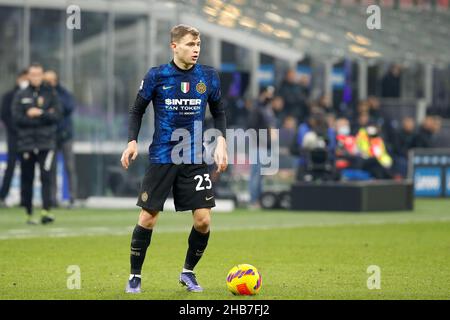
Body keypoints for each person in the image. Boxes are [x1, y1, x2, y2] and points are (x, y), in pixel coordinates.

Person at [120, 24, 228, 293]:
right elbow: (136, 111)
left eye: (198, 44)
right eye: (191, 44)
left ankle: (188, 273)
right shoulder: (158, 76)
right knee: (148, 218)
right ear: (174, 46)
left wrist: (222, 141)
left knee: (203, 220)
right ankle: (135, 276)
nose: (196, 50)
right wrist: (132, 141)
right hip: (162, 156)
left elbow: (219, 111)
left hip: (194, 158)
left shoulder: (208, 76)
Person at [11, 63, 61, 224]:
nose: (36, 78)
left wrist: (39, 113)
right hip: (26, 143)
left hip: (46, 143)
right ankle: (28, 213)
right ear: (28, 76)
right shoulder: (21, 94)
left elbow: (57, 116)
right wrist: (40, 118)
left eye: (38, 74)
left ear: (42, 75)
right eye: (32, 75)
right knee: (27, 178)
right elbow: (17, 119)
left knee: (46, 177)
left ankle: (46, 211)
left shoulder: (50, 93)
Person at [44, 70, 77, 208]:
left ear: (55, 80)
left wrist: (54, 108)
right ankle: (52, 198)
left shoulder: (64, 93)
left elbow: (69, 107)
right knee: (51, 168)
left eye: (50, 80)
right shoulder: (43, 93)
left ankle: (72, 198)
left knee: (69, 167)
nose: (48, 83)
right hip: (51, 135)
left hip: (65, 135)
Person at [0, 69, 29, 207]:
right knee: (10, 166)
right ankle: (2, 196)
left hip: (28, 137)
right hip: (13, 137)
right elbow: (5, 115)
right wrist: (17, 128)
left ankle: (25, 199)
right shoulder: (9, 96)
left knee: (27, 168)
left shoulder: (31, 96)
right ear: (18, 79)